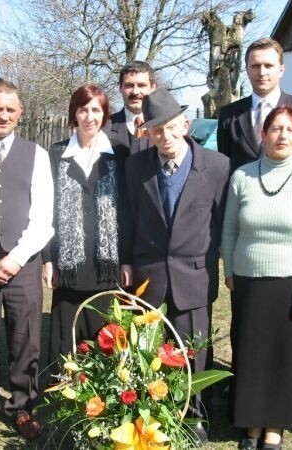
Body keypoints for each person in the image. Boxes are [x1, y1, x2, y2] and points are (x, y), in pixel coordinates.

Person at [123, 87, 230, 446]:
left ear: (185, 124)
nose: (165, 136)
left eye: (170, 127)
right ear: (147, 133)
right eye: (156, 130)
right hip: (149, 274)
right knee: (150, 349)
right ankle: (154, 410)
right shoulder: (136, 167)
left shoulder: (217, 166)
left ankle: (195, 414)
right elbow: (130, 219)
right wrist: (127, 261)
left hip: (194, 275)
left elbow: (222, 223)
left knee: (191, 349)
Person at [220, 105, 292, 450]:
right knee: (250, 353)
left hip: (290, 283)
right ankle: (251, 424)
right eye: (275, 129)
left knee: (283, 355)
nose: (281, 135)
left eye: (289, 130)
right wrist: (229, 270)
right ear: (263, 134)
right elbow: (230, 229)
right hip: (248, 279)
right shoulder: (242, 176)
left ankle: (275, 427)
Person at [0, 78, 54, 440]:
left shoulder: (37, 154)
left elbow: (43, 217)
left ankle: (22, 405)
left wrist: (16, 259)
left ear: (20, 113)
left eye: (10, 109)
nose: (3, 115)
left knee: (25, 336)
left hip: (23, 262)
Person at [43, 84, 131, 363]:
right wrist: (48, 260)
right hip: (69, 267)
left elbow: (127, 211)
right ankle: (63, 397)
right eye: (83, 110)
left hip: (107, 265)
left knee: (106, 339)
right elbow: (48, 211)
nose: (89, 117)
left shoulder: (120, 153)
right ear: (74, 113)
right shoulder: (56, 154)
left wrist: (127, 260)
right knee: (66, 342)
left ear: (105, 115)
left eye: (96, 110)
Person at [217, 37, 292, 173]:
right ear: (247, 70)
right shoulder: (229, 114)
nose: (262, 72)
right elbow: (223, 168)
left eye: (268, 66)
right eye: (255, 66)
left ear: (281, 70)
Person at [104, 60, 156, 154]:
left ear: (153, 88)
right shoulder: (103, 128)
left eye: (141, 85)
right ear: (120, 88)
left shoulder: (166, 128)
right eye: (129, 85)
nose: (135, 92)